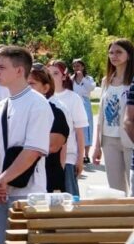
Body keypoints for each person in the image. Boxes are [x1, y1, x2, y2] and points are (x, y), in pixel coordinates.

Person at [0, 46, 53, 244]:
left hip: (28, 193)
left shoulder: (38, 104)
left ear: (19, 71)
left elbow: (33, 151)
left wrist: (1, 180)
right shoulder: (0, 107)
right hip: (0, 192)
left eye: (1, 67)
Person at [93, 38, 134, 194]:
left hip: (129, 139)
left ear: (129, 55)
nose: (114, 56)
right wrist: (97, 146)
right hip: (109, 140)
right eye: (111, 53)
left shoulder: (132, 82)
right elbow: (101, 116)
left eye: (118, 52)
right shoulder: (106, 81)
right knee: (116, 190)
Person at [48, 60, 88, 196]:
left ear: (64, 76)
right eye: (48, 73)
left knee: (69, 197)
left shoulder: (73, 98)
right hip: (48, 157)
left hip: (69, 157)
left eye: (55, 73)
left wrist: (80, 159)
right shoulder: (42, 97)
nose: (51, 76)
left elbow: (80, 132)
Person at [28, 65, 69, 193]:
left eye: (31, 84)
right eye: (24, 83)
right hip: (16, 183)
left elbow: (51, 146)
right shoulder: (10, 110)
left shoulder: (56, 114)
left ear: (45, 88)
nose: (26, 88)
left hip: (49, 180)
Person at [71, 58, 96, 163]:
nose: (76, 68)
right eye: (74, 66)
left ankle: (86, 154)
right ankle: (78, 153)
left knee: (87, 128)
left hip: (85, 104)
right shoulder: (71, 79)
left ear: (82, 67)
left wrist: (82, 79)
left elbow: (91, 88)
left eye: (78, 66)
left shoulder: (88, 78)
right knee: (75, 128)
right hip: (74, 105)